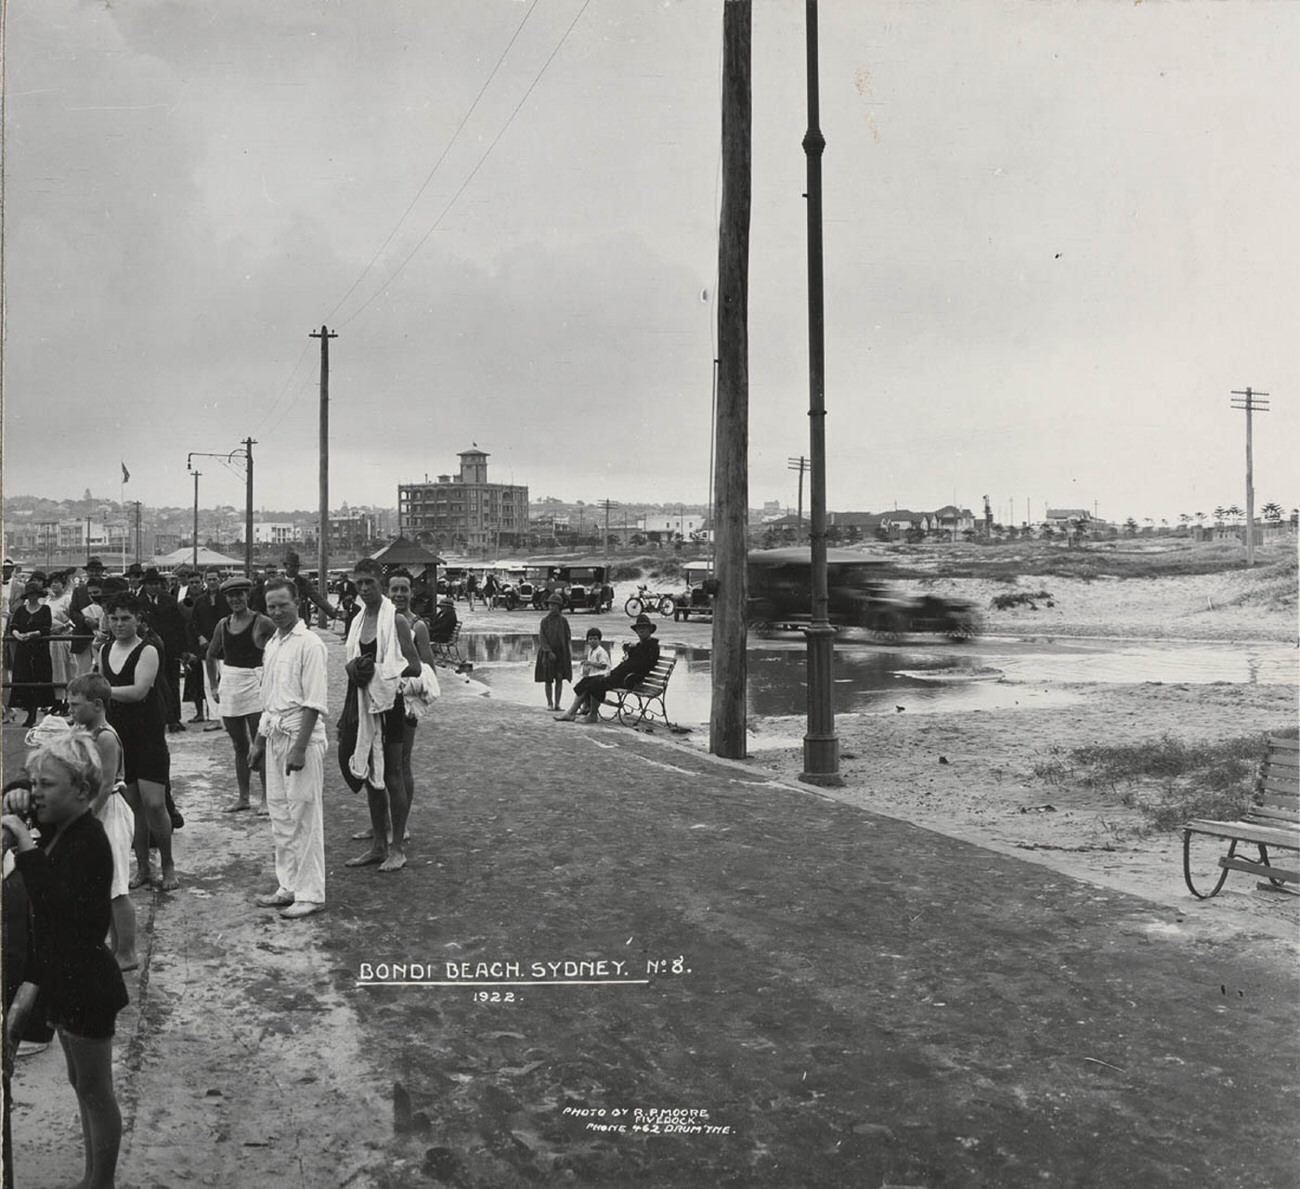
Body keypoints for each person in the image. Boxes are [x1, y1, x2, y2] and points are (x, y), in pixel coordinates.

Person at [2, 731, 129, 1189]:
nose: (37, 795)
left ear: (81, 791)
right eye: (34, 785)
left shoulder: (88, 841)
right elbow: (18, 793)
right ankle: (92, 1177)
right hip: (65, 983)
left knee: (97, 1092)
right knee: (81, 1084)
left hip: (88, 986)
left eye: (46, 786)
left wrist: (25, 847)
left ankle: (102, 1182)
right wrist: (17, 790)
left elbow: (57, 906)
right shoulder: (61, 825)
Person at [246, 580, 329, 919]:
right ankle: (289, 885)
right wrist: (259, 741)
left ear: (298, 603)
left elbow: (314, 702)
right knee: (280, 813)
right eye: (272, 607)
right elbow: (270, 701)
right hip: (275, 733)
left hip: (301, 738)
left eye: (284, 604)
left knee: (304, 815)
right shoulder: (274, 645)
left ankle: (311, 893)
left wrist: (300, 747)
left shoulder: (310, 644)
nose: (277, 612)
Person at [340, 559, 421, 873]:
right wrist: (354, 669)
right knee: (372, 776)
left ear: (379, 583)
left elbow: (413, 666)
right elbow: (352, 661)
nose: (363, 589)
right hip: (363, 703)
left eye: (368, 583)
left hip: (391, 705)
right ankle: (377, 846)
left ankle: (397, 847)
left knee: (392, 776)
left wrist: (376, 671)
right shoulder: (358, 620)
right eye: (358, 584)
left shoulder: (396, 620)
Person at [352, 569, 439, 846]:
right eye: (395, 589)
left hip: (406, 702)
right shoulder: (375, 620)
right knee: (376, 763)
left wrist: (397, 681)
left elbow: (427, 669)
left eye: (404, 589)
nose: (399, 594)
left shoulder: (416, 626)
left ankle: (403, 824)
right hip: (377, 699)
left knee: (400, 765)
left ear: (412, 592)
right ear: (387, 591)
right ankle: (381, 823)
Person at [100, 592, 177, 891]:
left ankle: (168, 865)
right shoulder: (104, 649)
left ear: (138, 620)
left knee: (155, 804)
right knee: (132, 805)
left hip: (148, 733)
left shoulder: (148, 650)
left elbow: (139, 691)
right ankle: (143, 867)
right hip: (119, 736)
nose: (119, 624)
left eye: (125, 619)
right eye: (114, 619)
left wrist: (104, 691)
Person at [67, 675, 138, 971]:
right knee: (105, 885)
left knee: (118, 886)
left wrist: (87, 822)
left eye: (75, 705)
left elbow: (106, 783)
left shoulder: (106, 737)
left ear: (97, 705)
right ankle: (114, 945)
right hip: (94, 810)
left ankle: (128, 952)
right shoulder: (83, 731)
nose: (70, 710)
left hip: (109, 810)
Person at [207, 577, 276, 814]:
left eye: (240, 594)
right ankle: (243, 797)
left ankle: (267, 799)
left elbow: (282, 644)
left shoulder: (262, 621)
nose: (235, 599)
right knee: (239, 745)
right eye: (230, 595)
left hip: (255, 685)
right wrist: (214, 686)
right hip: (231, 684)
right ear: (226, 598)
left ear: (247, 595)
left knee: (261, 743)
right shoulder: (222, 624)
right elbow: (210, 655)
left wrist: (272, 675)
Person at [557, 612, 661, 723]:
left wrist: (613, 672)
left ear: (650, 630)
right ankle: (571, 712)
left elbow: (636, 666)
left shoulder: (651, 646)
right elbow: (628, 664)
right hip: (624, 676)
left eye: (644, 628)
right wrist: (629, 652)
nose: (641, 630)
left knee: (596, 683)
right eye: (639, 628)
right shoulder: (641, 646)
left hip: (632, 679)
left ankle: (592, 715)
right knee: (587, 680)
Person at [141, 568, 189, 732]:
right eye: (150, 584)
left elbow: (180, 626)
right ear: (145, 586)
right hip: (148, 651)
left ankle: (174, 718)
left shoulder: (169, 600)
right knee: (152, 685)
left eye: (156, 584)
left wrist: (183, 650)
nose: (153, 587)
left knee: (172, 684)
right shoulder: (139, 602)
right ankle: (155, 719)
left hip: (170, 649)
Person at [7, 581, 54, 728]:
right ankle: (28, 711)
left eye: (35, 594)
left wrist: (32, 634)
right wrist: (17, 635)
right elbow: (13, 626)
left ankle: (35, 713)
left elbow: (47, 628)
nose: (33, 597)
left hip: (39, 648)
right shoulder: (21, 610)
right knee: (24, 678)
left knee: (38, 678)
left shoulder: (45, 609)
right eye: (30, 595)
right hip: (23, 649)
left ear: (39, 595)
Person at [554, 627, 611, 721]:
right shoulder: (591, 651)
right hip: (594, 676)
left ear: (599, 640)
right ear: (587, 641)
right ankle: (577, 709)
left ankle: (574, 712)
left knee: (586, 684)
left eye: (595, 639)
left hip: (602, 676)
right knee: (581, 684)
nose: (593, 641)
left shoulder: (601, 651)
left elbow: (603, 666)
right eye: (590, 639)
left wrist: (590, 663)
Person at [534, 593, 573, 711]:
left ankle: (557, 704)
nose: (552, 608)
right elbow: (542, 638)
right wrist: (548, 651)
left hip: (561, 654)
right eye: (550, 605)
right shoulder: (544, 621)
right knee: (548, 679)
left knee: (560, 678)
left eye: (555, 605)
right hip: (547, 654)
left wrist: (567, 651)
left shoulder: (563, 621)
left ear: (559, 607)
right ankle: (549, 703)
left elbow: (568, 636)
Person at [283, 552, 337, 628]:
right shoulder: (278, 582)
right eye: (291, 566)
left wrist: (332, 612)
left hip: (300, 622)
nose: (295, 569)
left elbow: (318, 599)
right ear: (285, 566)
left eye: (297, 567)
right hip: (282, 622)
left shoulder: (304, 583)